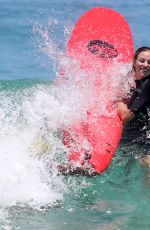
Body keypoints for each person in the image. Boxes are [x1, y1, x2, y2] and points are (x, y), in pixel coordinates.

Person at [118, 47, 150, 166]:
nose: (146, 65)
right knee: (124, 179)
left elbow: (126, 116)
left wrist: (118, 99)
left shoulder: (148, 84)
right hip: (130, 137)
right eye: (142, 60)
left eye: (149, 62)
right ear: (134, 61)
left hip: (145, 140)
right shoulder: (129, 80)